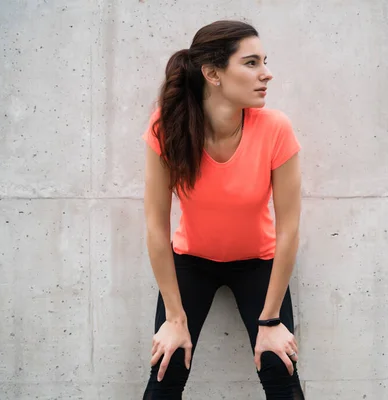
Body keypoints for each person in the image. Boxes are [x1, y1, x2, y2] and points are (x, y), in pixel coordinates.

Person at [141, 20, 305, 399]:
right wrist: (174, 317)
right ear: (213, 73)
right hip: (191, 263)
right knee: (166, 369)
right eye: (251, 63)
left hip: (259, 264)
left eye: (264, 61)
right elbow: (155, 225)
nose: (267, 74)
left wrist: (272, 319)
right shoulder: (168, 127)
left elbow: (289, 230)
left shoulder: (276, 129)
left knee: (281, 371)